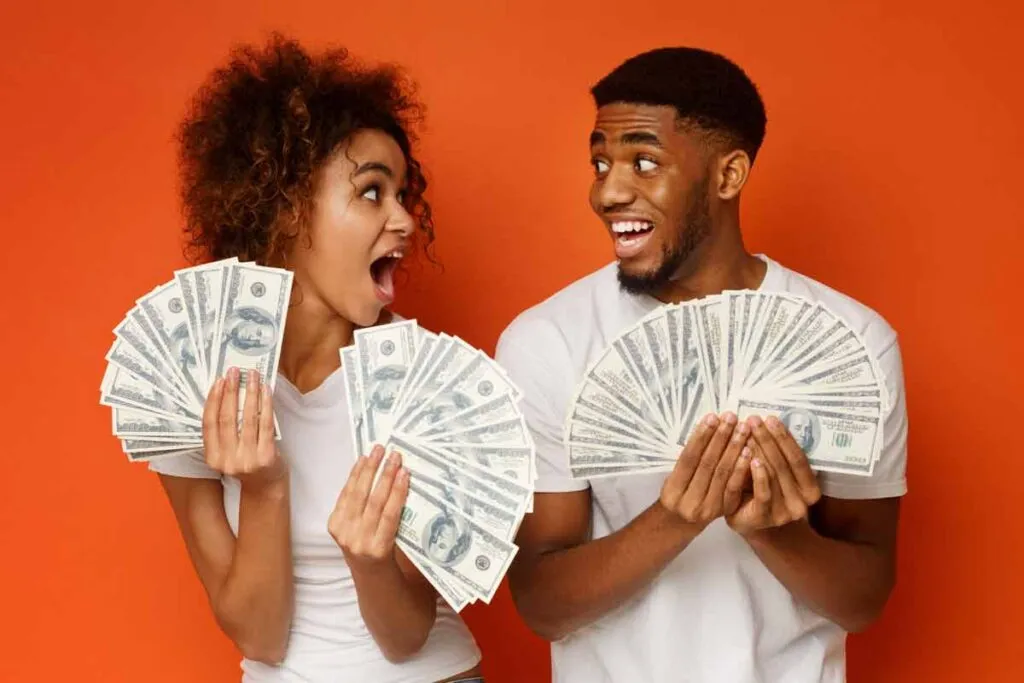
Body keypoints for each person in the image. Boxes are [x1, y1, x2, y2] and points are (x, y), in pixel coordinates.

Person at [495, 46, 908, 682]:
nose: (609, 190)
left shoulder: (855, 340)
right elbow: (542, 604)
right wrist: (676, 519)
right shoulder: (547, 341)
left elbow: (864, 599)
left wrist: (776, 532)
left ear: (728, 175)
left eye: (643, 161)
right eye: (600, 162)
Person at [147, 35, 484, 683]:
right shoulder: (186, 378)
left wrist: (371, 561)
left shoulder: (428, 382)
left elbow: (407, 634)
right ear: (286, 208)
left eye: (403, 195)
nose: (405, 221)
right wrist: (265, 485)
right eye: (371, 192)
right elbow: (259, 634)